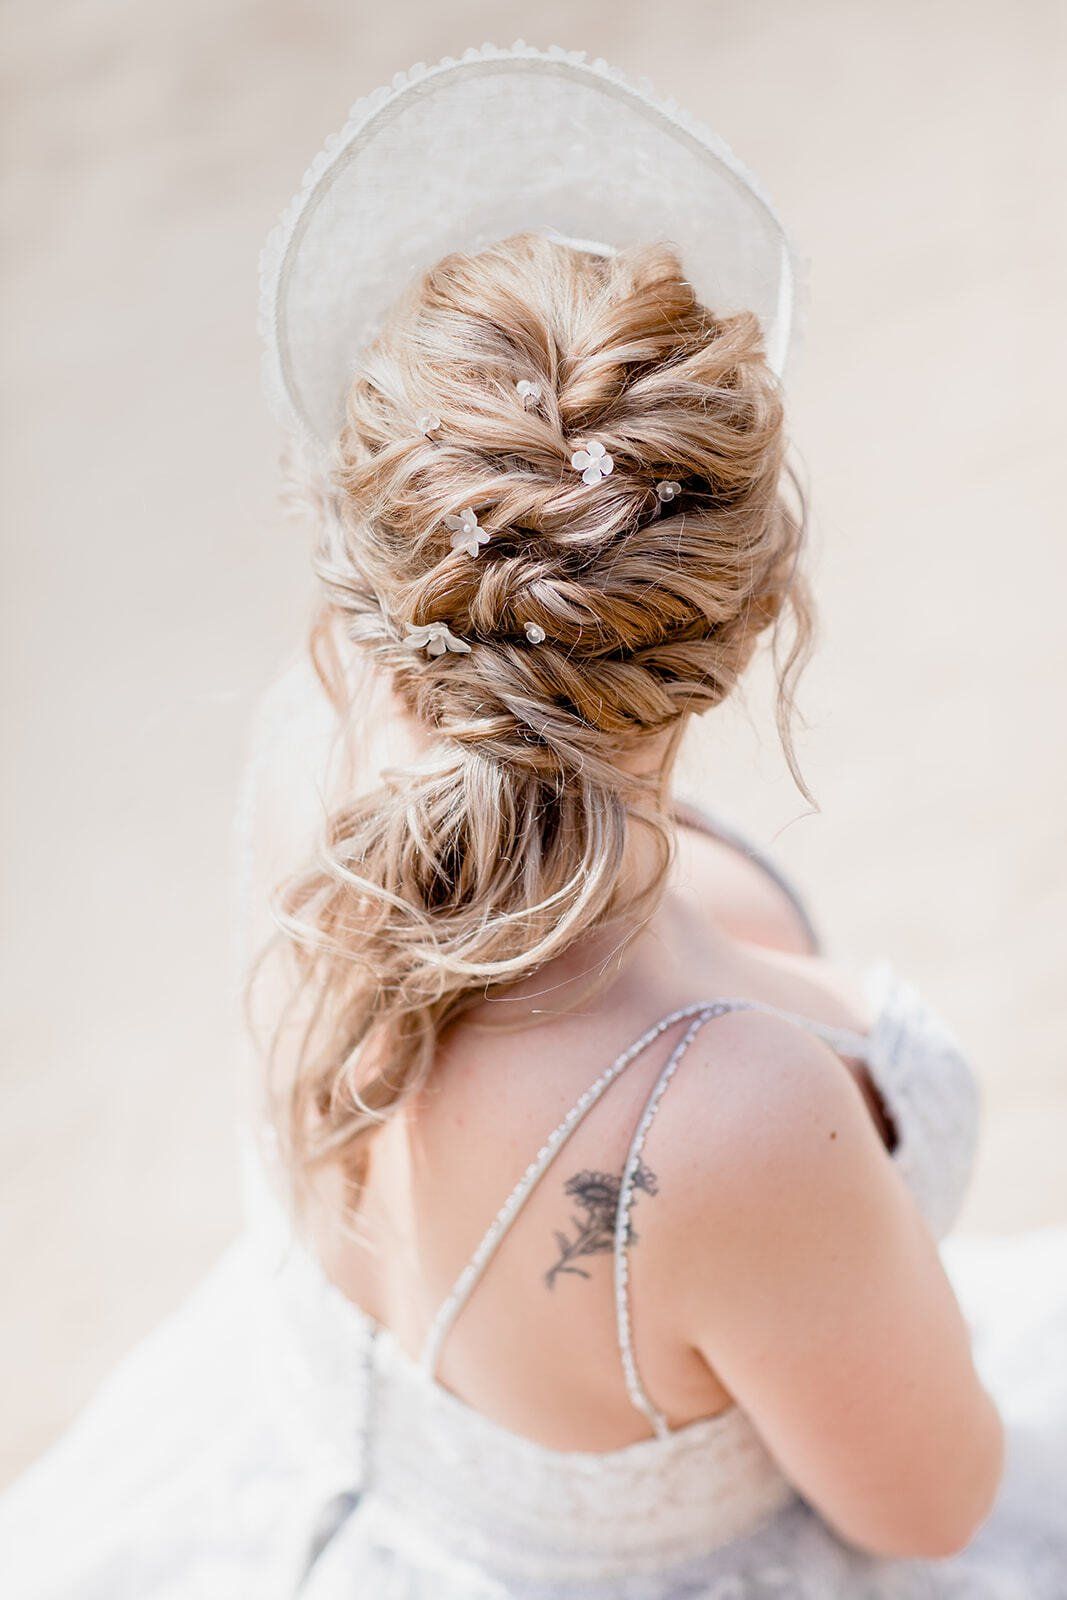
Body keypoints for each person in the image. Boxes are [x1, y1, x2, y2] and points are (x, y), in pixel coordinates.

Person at [2, 45, 1064, 1600]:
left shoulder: (323, 789)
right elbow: (930, 1502)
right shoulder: (734, 1119)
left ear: (377, 578)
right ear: (752, 609)